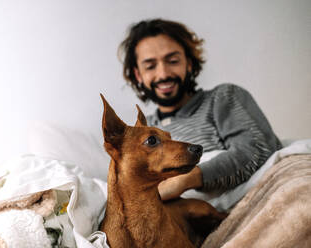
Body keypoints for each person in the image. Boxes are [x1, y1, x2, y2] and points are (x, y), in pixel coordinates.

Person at [118, 18, 282, 201]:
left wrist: (186, 179)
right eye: (150, 66)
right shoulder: (140, 133)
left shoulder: (223, 98)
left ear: (188, 63)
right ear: (138, 75)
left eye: (172, 61)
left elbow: (259, 149)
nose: (163, 74)